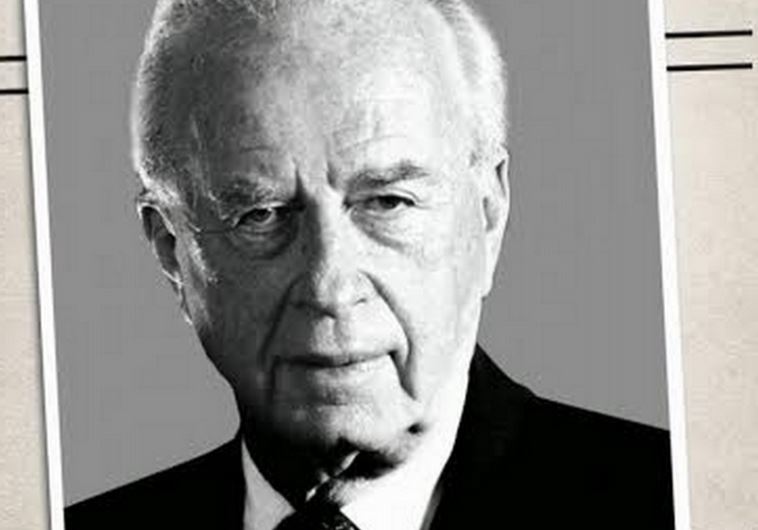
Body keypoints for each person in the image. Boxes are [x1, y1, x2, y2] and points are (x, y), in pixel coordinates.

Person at [65, 0, 675, 528]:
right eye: (261, 214)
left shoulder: (680, 501)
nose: (330, 285)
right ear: (171, 250)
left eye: (387, 202)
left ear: (488, 215)